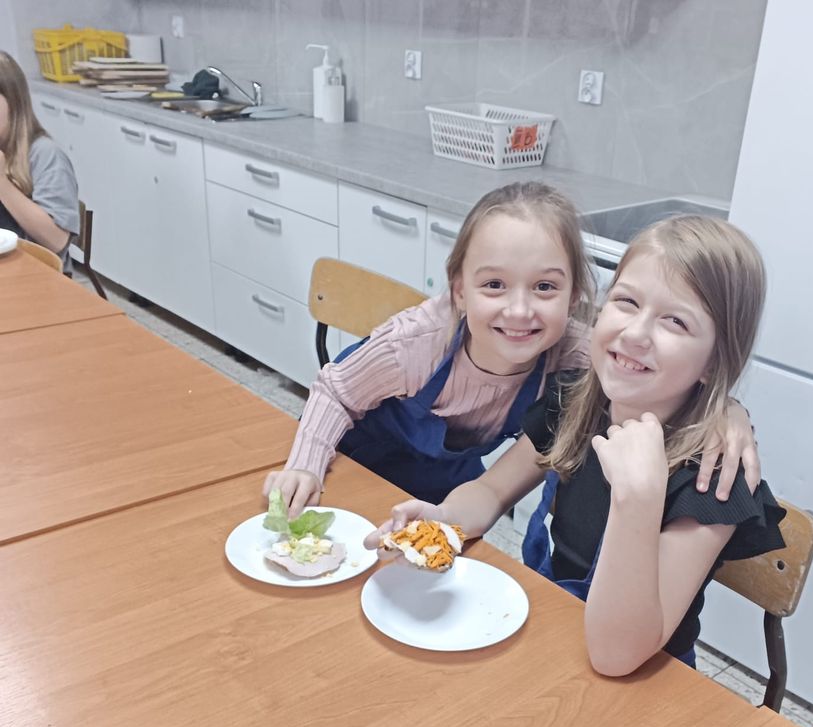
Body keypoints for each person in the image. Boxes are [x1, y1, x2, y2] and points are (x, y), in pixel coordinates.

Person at [370, 215, 785, 676]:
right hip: (554, 631)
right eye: (627, 301)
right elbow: (491, 491)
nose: (635, 334)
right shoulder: (575, 402)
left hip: (636, 679)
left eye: (675, 321)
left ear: (714, 361)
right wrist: (443, 520)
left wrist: (637, 500)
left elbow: (617, 655)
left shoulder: (711, 479)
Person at [263, 183, 758, 516]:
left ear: (574, 296)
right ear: (459, 290)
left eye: (545, 288)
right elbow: (335, 392)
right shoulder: (416, 345)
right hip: (348, 462)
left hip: (443, 485)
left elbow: (652, 371)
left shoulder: (575, 352)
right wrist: (305, 464)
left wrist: (725, 409)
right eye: (494, 285)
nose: (519, 312)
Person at [0, 51, 80, 272]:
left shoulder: (45, 154)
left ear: (14, 102)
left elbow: (56, 241)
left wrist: (2, 183)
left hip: (38, 276)